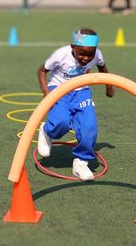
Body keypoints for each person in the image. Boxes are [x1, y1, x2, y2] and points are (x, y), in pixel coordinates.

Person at [37, 28, 115, 181]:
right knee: (61, 122)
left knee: (89, 126)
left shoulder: (97, 55)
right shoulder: (61, 55)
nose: (86, 58)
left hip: (81, 91)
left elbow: (102, 68)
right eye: (82, 54)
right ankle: (47, 130)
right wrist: (46, 92)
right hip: (59, 89)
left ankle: (81, 162)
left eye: (90, 55)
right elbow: (42, 71)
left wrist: (109, 87)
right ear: (73, 47)